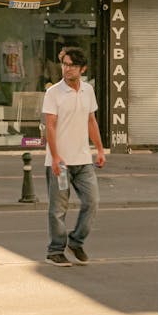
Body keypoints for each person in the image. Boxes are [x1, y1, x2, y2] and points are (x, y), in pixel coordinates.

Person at [42, 45, 105, 267]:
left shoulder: (88, 90)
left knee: (92, 201)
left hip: (83, 161)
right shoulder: (53, 93)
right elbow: (50, 126)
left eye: (72, 65)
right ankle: (55, 250)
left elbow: (91, 121)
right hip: (61, 163)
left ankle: (76, 241)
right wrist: (56, 157)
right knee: (58, 209)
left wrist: (99, 149)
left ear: (82, 69)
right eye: (64, 64)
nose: (67, 69)